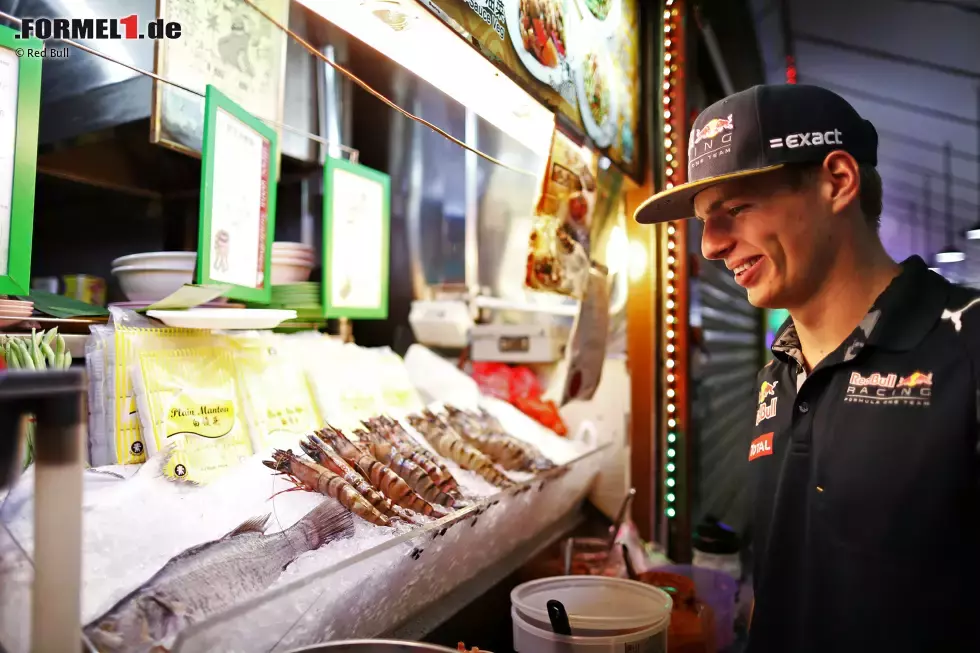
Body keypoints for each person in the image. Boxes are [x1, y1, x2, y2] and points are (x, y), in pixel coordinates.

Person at [634, 84, 980, 653]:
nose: (711, 246)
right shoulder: (777, 374)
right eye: (703, 221)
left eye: (735, 209)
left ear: (837, 181)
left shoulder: (967, 345)